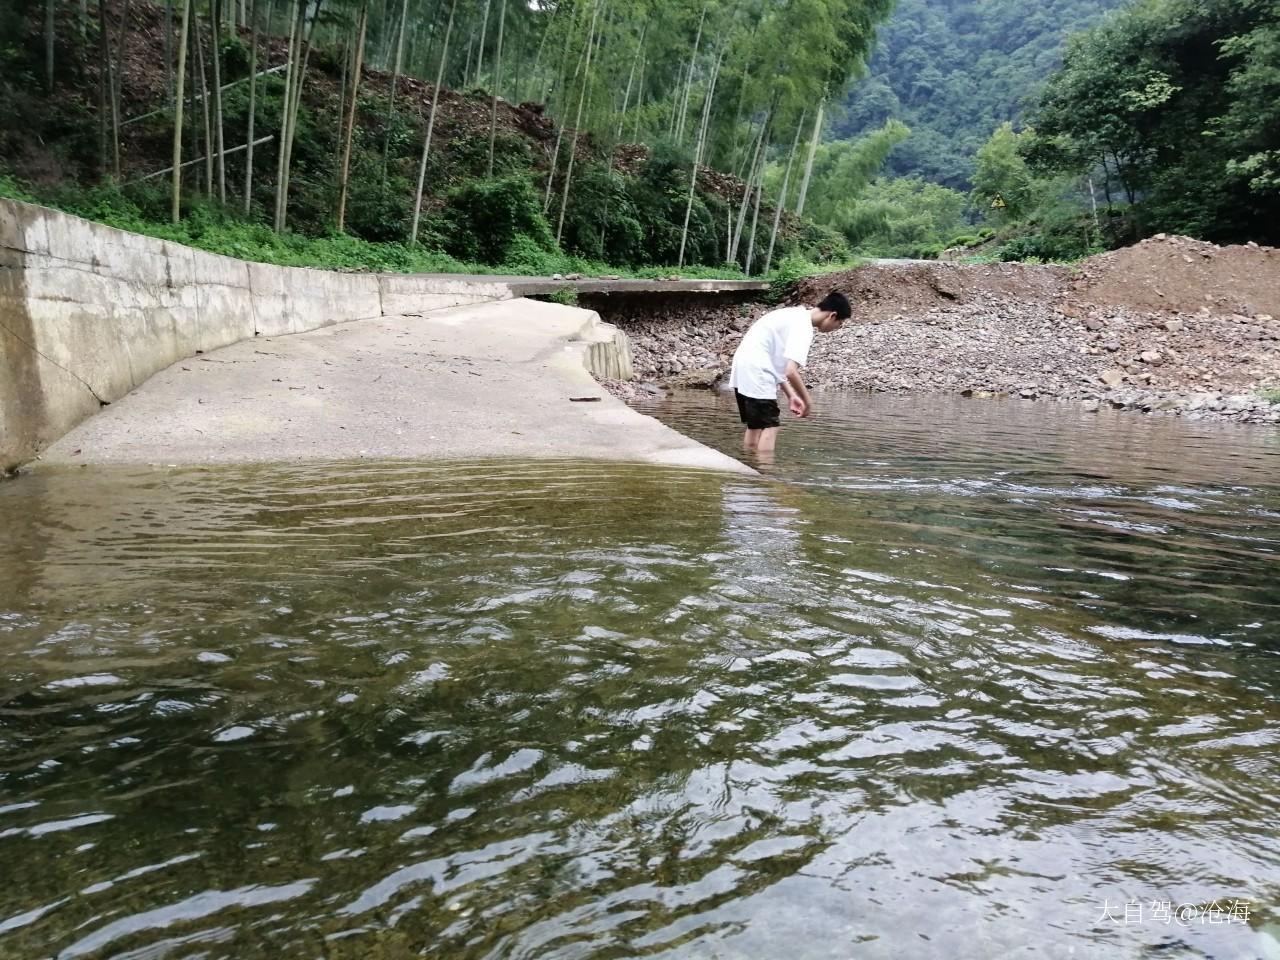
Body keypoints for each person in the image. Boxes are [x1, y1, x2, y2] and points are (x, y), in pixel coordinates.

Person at [728, 291, 851, 454]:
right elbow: (791, 372)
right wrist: (808, 403)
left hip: (743, 367)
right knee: (770, 426)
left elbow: (776, 363)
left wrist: (791, 395)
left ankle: (748, 468)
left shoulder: (793, 314)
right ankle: (765, 475)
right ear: (832, 316)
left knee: (755, 425)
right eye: (839, 324)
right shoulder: (804, 327)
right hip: (758, 371)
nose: (836, 328)